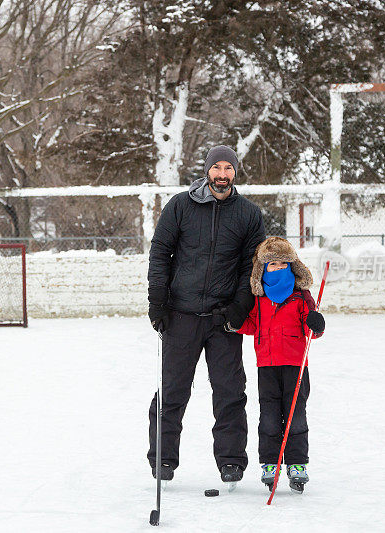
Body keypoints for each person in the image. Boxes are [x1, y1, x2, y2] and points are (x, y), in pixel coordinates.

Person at [147, 145, 265, 484]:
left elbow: (251, 265)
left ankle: (231, 461)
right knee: (172, 391)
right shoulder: (180, 206)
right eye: (218, 168)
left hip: (223, 318)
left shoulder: (247, 214)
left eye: (229, 168)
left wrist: (240, 306)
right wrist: (158, 299)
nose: (223, 174)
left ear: (235, 173)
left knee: (230, 392)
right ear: (207, 170)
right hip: (180, 315)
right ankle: (163, 460)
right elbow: (160, 253)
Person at [232, 236, 325, 493]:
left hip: (295, 364)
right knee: (269, 416)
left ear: (292, 265)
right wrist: (236, 321)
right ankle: (271, 462)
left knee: (295, 415)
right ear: (263, 268)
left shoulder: (300, 295)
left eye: (283, 263)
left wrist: (316, 324)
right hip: (267, 365)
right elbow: (252, 325)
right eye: (272, 263)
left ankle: (297, 463)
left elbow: (311, 329)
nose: (278, 267)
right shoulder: (259, 297)